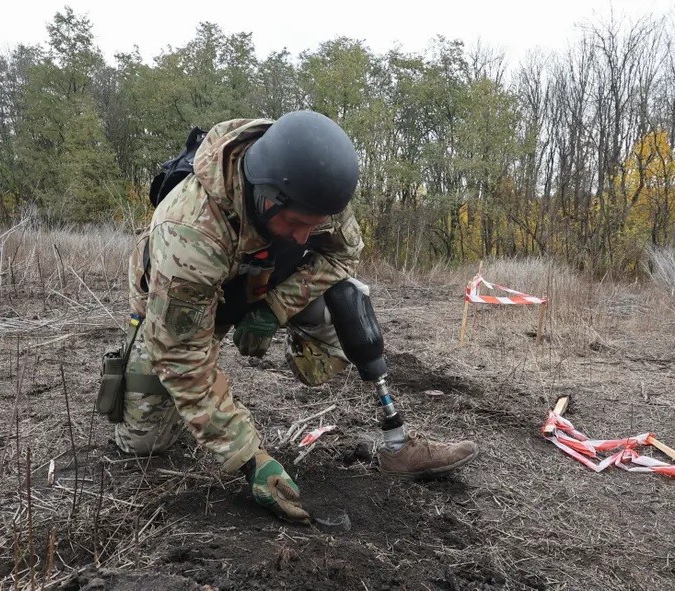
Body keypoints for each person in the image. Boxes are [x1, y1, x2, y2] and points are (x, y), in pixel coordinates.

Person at [113, 110, 478, 523]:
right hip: (190, 305)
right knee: (143, 443)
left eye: (315, 224)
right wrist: (251, 458)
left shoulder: (311, 182)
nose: (306, 236)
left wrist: (273, 309)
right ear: (267, 196)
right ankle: (181, 405)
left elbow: (344, 254)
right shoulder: (190, 232)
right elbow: (180, 354)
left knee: (347, 298)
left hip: (263, 284)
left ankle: (396, 441)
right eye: (298, 224)